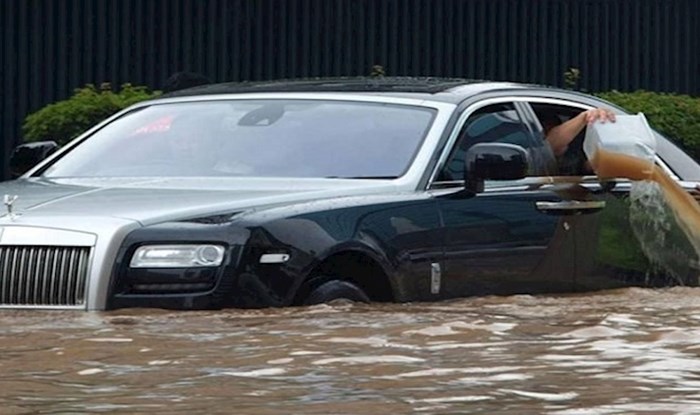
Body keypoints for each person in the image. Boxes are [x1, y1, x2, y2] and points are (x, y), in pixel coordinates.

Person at [543, 108, 616, 156]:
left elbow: (591, 166)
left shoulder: (577, 148)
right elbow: (550, 146)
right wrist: (583, 117)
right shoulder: (537, 155)